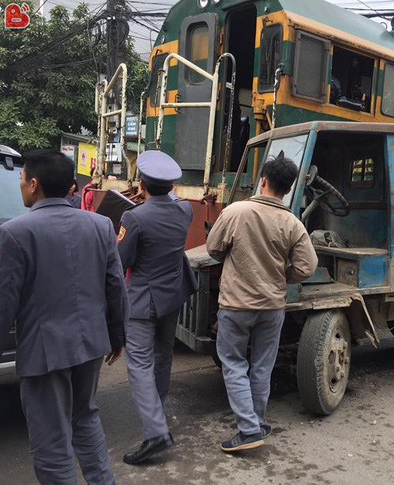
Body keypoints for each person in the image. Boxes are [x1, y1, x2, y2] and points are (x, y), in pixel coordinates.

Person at [0, 149, 128, 484]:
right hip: (91, 346)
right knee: (85, 419)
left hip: (45, 353)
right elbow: (115, 286)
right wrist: (116, 336)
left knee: (52, 444)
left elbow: (0, 308)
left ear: (34, 184)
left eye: (22, 179)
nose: (21, 185)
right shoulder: (100, 225)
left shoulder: (13, 233)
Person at [206, 152, 318, 452]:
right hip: (272, 307)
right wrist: (284, 276)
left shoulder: (235, 212)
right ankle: (255, 422)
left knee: (232, 362)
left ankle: (248, 430)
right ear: (288, 188)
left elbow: (213, 248)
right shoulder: (293, 223)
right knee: (262, 366)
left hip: (235, 305)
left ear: (263, 181)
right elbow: (308, 266)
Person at [117, 150, 197, 465]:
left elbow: (121, 260)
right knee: (163, 357)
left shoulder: (133, 216)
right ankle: (157, 413)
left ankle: (155, 432)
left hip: (142, 301)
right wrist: (155, 189)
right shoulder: (185, 210)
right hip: (172, 297)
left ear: (142, 183)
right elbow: (171, 197)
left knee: (138, 365)